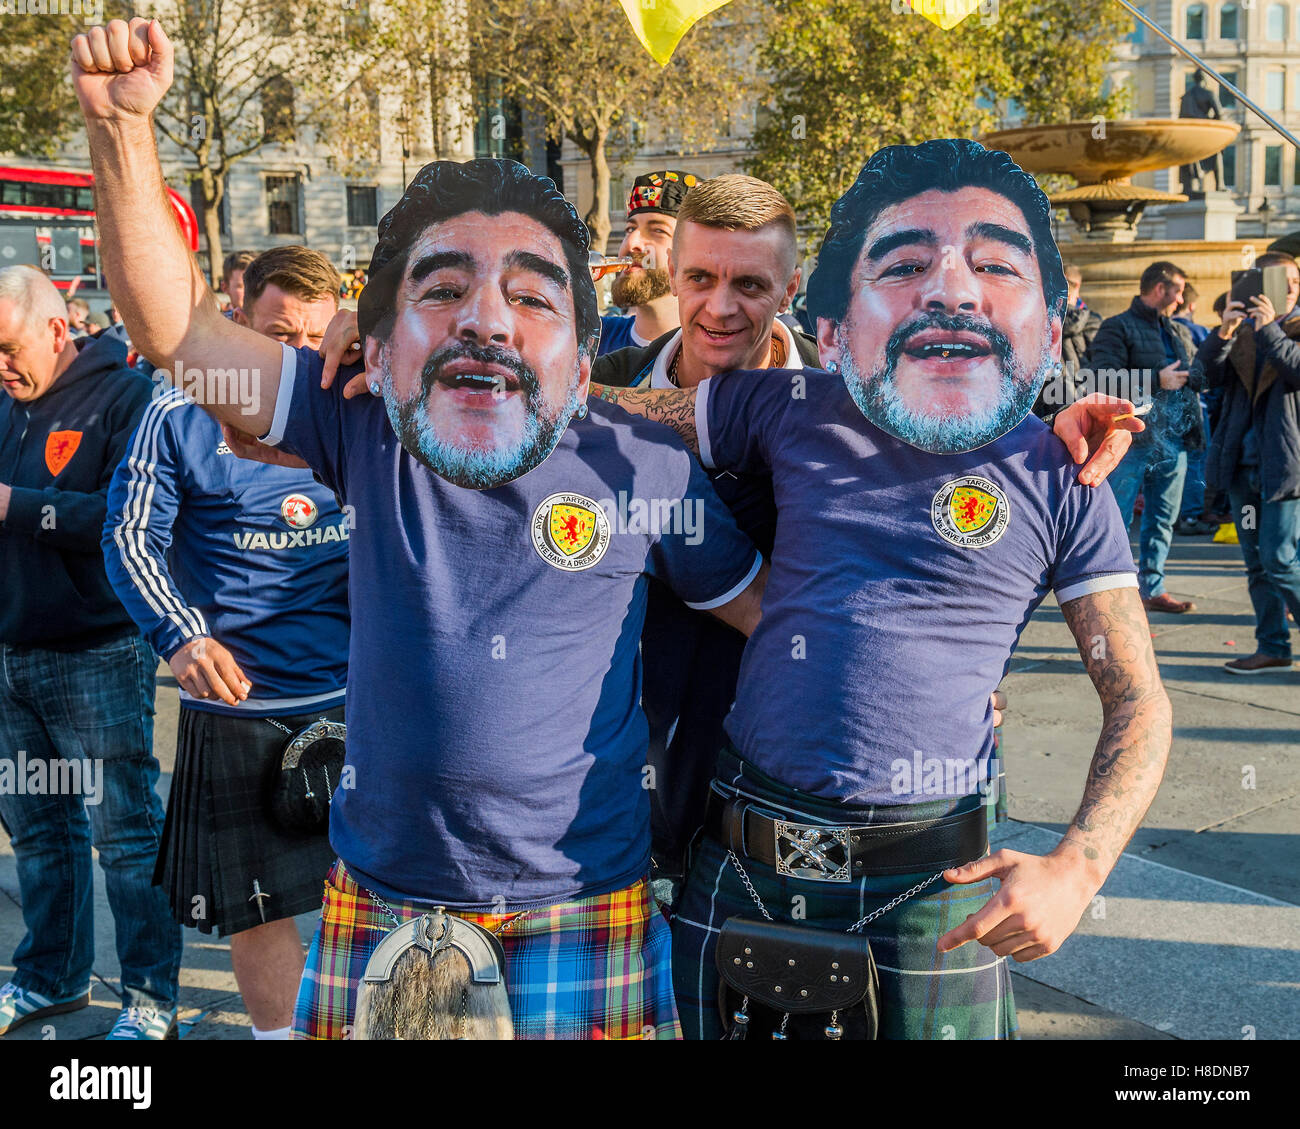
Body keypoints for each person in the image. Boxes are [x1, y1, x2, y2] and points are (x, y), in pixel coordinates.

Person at [72, 16, 767, 1041]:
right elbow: (179, 334)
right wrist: (126, 132)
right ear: (390, 342)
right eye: (442, 290)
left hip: (588, 906)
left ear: (584, 354)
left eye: (531, 295)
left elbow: (779, 617)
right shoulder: (363, 421)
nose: (486, 316)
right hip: (385, 901)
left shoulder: (647, 464)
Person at [593, 138, 1168, 1040]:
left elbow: (1139, 701)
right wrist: (379, 349)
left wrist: (1078, 869)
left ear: (1049, 328)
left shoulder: (1067, 474)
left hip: (934, 886)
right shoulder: (790, 404)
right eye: (905, 267)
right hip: (738, 859)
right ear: (837, 324)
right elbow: (580, 414)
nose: (949, 290)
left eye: (992, 266)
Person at [102, 246, 351, 1040]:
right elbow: (130, 535)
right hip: (243, 705)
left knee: (380, 892)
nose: (300, 357)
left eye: (316, 338)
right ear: (239, 319)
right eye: (281, 333)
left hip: (364, 697)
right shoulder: (176, 409)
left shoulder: (357, 402)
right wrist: (180, 636)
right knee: (258, 908)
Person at [593, 174, 816, 893]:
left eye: (750, 284)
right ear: (674, 273)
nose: (719, 308)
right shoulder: (600, 381)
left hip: (787, 781)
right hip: (620, 780)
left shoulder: (846, 397)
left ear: (791, 286)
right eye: (699, 277)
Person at [0, 264, 183, 1040]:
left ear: (56, 328)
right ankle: (51, 978)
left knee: (126, 832)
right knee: (38, 830)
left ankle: (150, 997)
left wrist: (18, 507)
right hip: (11, 651)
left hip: (99, 650)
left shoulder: (125, 396)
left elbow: (127, 516)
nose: (1, 368)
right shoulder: (6, 401)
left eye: (8, 349)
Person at [1195, 250, 1300, 673]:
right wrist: (1223, 332)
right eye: (1279, 281)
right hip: (1243, 470)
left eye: (1293, 280)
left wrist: (1270, 328)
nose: (1289, 288)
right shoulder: (1242, 334)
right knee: (1257, 561)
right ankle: (1273, 644)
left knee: (1279, 558)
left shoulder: (1286, 330)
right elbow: (1203, 378)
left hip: (1285, 469)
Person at [1088, 261, 1203, 613]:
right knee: (1116, 520)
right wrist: (1157, 379)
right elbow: (1101, 379)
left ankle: (1152, 589)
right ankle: (1109, 594)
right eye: (1179, 289)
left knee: (1162, 520)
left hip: (1174, 442)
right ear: (1160, 289)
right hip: (1131, 442)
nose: (1182, 297)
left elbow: (1199, 376)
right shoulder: (1116, 327)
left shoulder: (1177, 330)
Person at [597, 170, 701, 356]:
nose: (631, 243)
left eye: (658, 230)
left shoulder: (717, 353)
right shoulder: (590, 338)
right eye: (630, 229)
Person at [1173, 284, 1219, 535]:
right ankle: (1190, 515)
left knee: (1169, 461)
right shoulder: (1201, 332)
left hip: (1166, 407)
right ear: (1191, 306)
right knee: (1196, 459)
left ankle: (1173, 512)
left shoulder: (1162, 329)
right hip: (1195, 405)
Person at [1032, 262, 1100, 421]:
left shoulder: (1037, 320)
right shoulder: (1093, 321)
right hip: (1083, 400)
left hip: (1047, 405)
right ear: (1079, 285)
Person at [221, 249, 257, 314]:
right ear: (225, 288)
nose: (249, 293)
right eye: (241, 286)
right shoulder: (217, 322)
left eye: (254, 286)